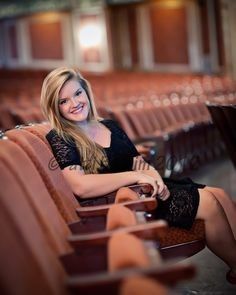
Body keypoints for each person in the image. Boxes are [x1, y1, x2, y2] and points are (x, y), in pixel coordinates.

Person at [40, 67, 236, 284]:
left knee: (220, 194)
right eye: (63, 101)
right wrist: (134, 177)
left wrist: (154, 178)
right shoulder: (61, 137)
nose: (75, 103)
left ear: (86, 91)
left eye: (77, 93)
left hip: (145, 191)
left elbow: (139, 163)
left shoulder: (109, 125)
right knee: (209, 202)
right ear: (55, 108)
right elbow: (80, 185)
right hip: (126, 204)